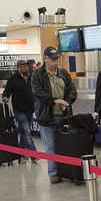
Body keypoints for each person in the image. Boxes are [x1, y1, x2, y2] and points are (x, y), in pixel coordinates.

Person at [32, 46, 78, 184]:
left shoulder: (63, 73)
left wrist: (67, 102)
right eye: (52, 59)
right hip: (47, 116)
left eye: (56, 59)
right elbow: (38, 92)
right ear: (45, 59)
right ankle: (53, 173)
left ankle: (65, 170)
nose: (55, 62)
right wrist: (54, 100)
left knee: (64, 144)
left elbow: (72, 90)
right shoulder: (37, 75)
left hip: (63, 116)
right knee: (51, 146)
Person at [2, 60, 39, 163]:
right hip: (19, 110)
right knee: (27, 132)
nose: (26, 68)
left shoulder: (32, 78)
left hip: (30, 109)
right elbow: (7, 91)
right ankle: (34, 155)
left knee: (24, 132)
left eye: (27, 66)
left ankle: (21, 151)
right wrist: (5, 97)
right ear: (18, 67)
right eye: (23, 66)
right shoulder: (13, 79)